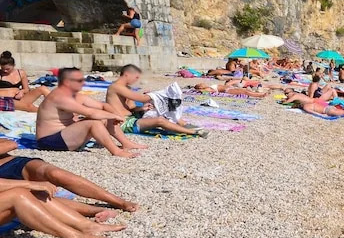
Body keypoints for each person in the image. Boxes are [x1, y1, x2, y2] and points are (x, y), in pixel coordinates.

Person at [0, 138, 138, 212]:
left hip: (11, 163)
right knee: (35, 197)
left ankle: (117, 201)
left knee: (54, 173)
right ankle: (95, 210)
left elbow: (11, 144)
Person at [35, 68, 142, 158]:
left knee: (104, 118)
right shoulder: (60, 97)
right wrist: (114, 116)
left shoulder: (74, 96)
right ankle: (116, 152)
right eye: (79, 80)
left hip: (64, 134)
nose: (83, 83)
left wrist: (115, 114)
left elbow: (102, 106)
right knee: (94, 123)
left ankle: (126, 143)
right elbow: (91, 113)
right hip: (49, 141)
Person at [106, 65, 207, 137]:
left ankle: (182, 124)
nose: (136, 80)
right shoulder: (115, 87)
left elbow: (131, 107)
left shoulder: (126, 88)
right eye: (136, 77)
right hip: (123, 122)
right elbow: (141, 98)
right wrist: (159, 94)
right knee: (160, 120)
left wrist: (142, 108)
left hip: (132, 116)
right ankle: (192, 132)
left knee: (163, 109)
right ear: (127, 74)